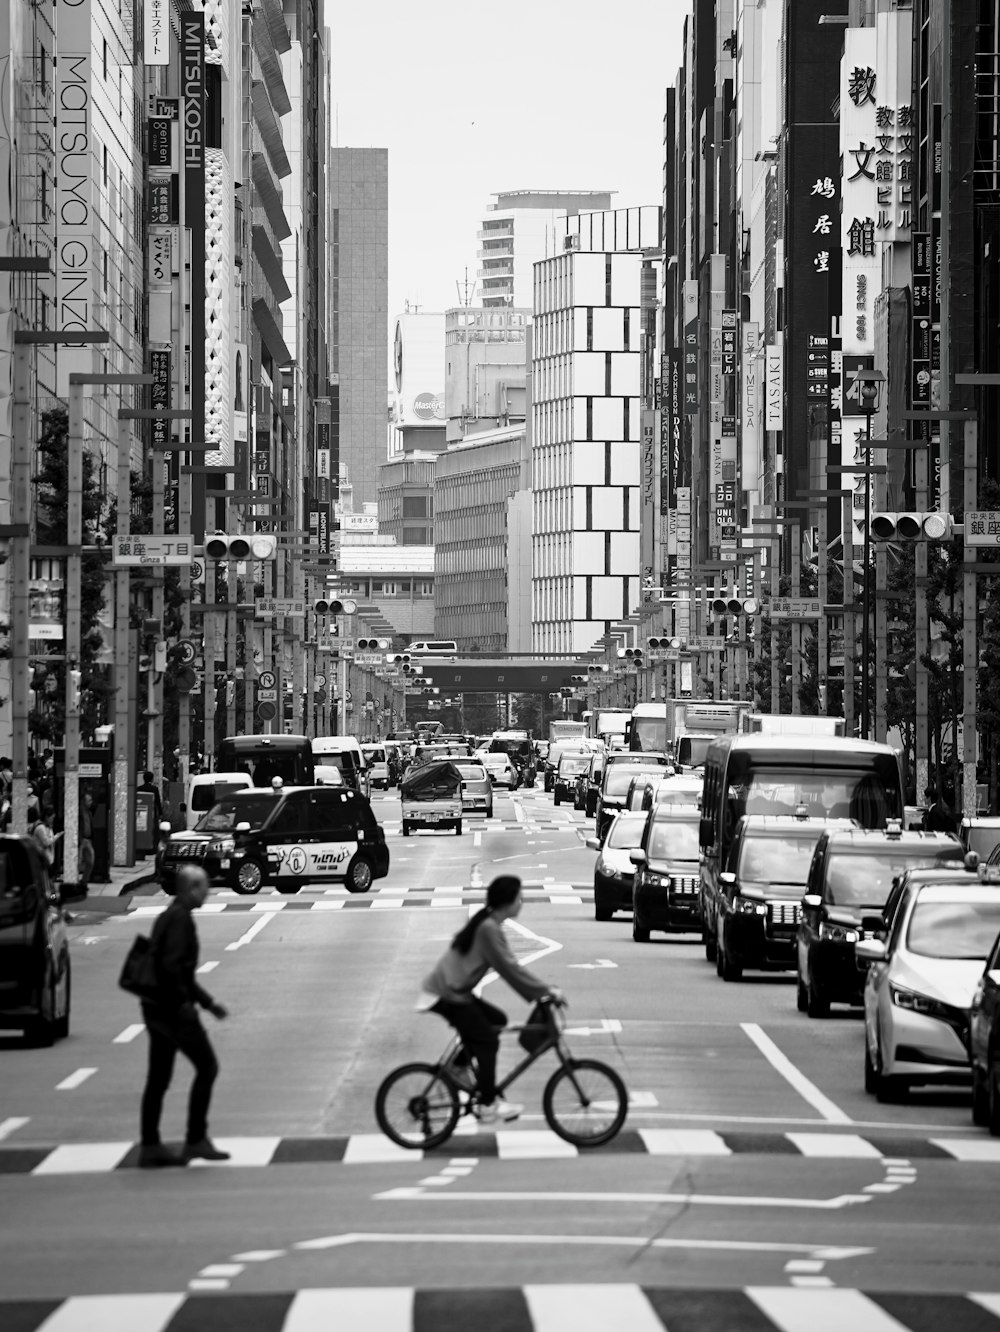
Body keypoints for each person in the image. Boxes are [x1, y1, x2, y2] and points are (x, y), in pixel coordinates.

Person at [419, 875, 560, 1124]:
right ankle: (487, 1103)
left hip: (453, 992)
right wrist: (545, 991)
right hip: (447, 994)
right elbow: (509, 969)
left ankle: (458, 1066)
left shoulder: (489, 923)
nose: (522, 902)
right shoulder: (488, 929)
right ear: (508, 901)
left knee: (496, 1019)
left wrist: (541, 991)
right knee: (487, 1043)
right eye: (519, 897)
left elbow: (509, 966)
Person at [138, 865, 230, 1167]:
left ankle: (151, 1144)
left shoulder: (171, 915)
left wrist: (208, 1003)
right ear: (191, 888)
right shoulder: (180, 921)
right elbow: (173, 968)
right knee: (207, 1067)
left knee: (159, 1078)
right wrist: (186, 1006)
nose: (209, 891)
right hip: (173, 1011)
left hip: (157, 1009)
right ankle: (195, 1139)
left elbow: (177, 970)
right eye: (204, 886)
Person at [78, 791, 95, 888]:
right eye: (89, 800)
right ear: (84, 801)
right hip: (81, 839)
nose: (91, 802)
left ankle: (84, 880)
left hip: (88, 839)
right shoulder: (79, 812)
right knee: (78, 861)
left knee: (90, 861)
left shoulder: (89, 812)